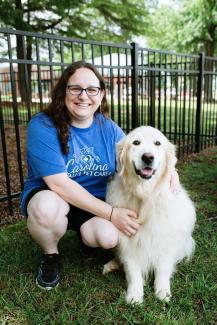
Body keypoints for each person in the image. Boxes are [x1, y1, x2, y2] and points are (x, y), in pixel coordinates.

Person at [21, 61, 179, 290]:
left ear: (101, 94)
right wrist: (112, 213)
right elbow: (59, 185)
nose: (84, 96)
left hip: (92, 201)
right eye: (75, 88)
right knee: (46, 208)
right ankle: (51, 256)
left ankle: (87, 241)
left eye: (92, 89)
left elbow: (136, 152)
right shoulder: (43, 125)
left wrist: (171, 169)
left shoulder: (108, 127)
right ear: (63, 91)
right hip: (53, 196)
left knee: (107, 238)